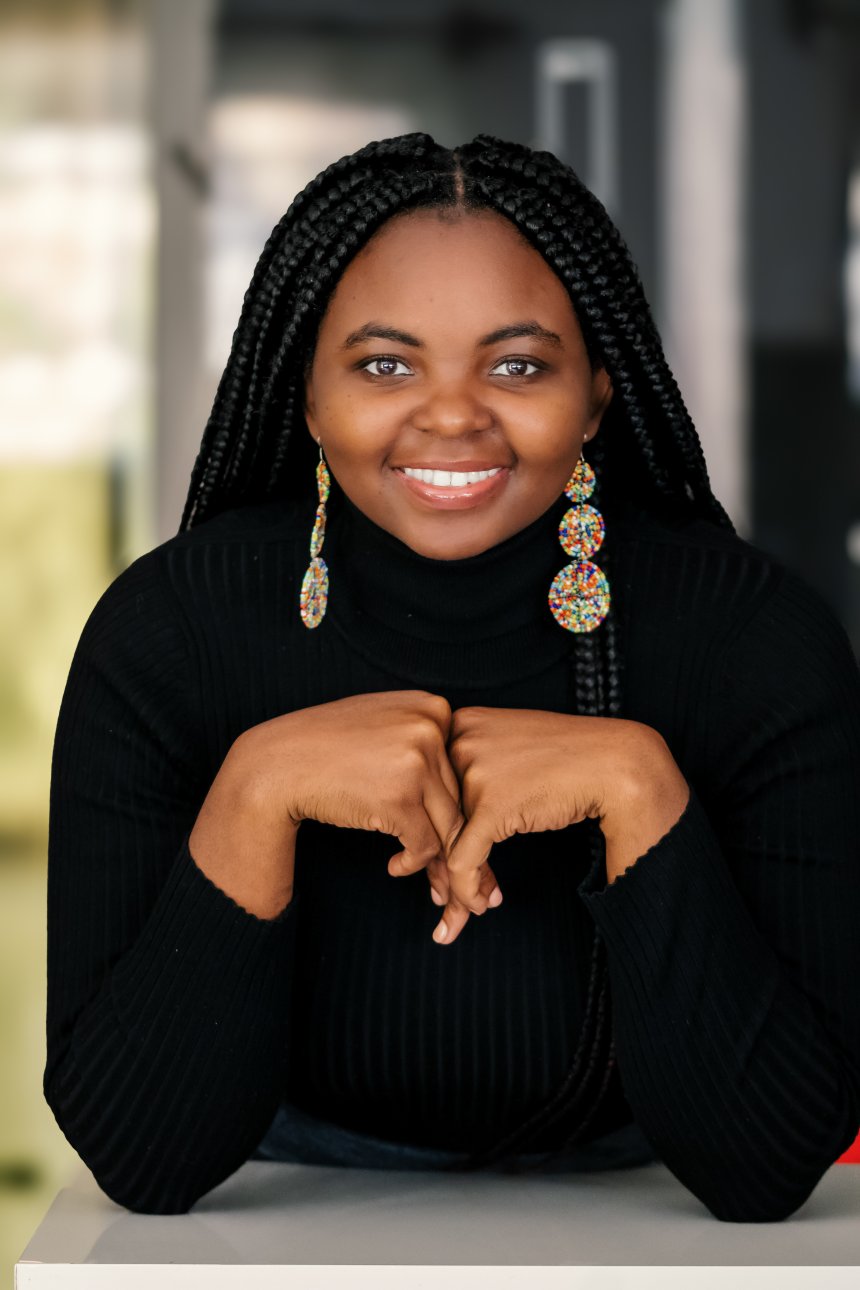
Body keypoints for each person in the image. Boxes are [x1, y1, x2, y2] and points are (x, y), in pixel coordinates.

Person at [44, 132, 860, 1222]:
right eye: (385, 365)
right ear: (307, 394)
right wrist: (253, 793)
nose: (451, 415)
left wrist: (640, 789)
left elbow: (770, 1173)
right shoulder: (167, 634)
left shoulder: (755, 639)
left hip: (642, 1221)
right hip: (285, 1228)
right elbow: (138, 1162)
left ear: (596, 394)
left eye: (517, 365)